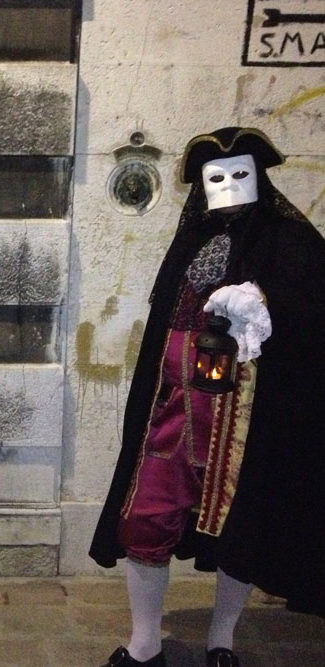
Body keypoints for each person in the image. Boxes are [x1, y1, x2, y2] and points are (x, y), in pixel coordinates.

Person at [90, 127, 325, 667]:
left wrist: (265, 302)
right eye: (215, 177)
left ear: (259, 176)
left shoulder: (288, 241)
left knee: (239, 530)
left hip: (245, 419)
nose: (228, 185)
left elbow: (313, 310)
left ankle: (222, 641)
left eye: (240, 173)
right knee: (146, 517)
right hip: (173, 411)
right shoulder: (191, 239)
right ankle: (145, 644)